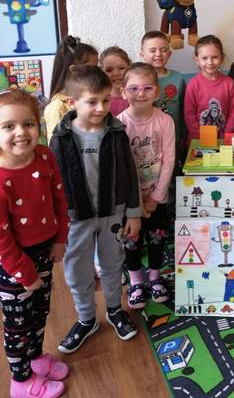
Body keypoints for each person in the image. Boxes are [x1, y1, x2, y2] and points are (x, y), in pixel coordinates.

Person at [49, 65, 141, 354]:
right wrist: (55, 224)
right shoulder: (60, 137)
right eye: (92, 101)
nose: (101, 108)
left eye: (105, 100)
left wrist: (133, 213)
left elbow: (130, 173)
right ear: (72, 102)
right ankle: (86, 318)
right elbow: (52, 182)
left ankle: (115, 310)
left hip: (113, 213)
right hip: (76, 218)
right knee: (77, 270)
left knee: (113, 264)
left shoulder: (116, 132)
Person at [0, 89, 69, 398]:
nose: (20, 132)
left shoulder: (44, 155)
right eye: (8, 126)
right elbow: (2, 240)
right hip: (14, 264)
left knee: (40, 313)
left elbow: (59, 199)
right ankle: (21, 380)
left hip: (45, 252)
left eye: (28, 124)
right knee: (18, 326)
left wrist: (60, 238)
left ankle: (36, 358)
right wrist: (24, 273)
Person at [117, 63, 175, 308]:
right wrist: (135, 204)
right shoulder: (118, 124)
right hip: (130, 200)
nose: (141, 93)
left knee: (157, 237)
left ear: (156, 92)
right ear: (123, 92)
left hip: (156, 196)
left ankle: (154, 277)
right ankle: (136, 281)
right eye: (134, 88)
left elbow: (169, 160)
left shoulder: (165, 121)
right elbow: (119, 168)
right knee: (132, 240)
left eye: (147, 88)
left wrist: (155, 197)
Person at [184, 35, 234, 143]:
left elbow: (233, 111)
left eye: (214, 57)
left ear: (221, 58)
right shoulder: (193, 84)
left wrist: (226, 134)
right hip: (199, 141)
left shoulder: (229, 83)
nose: (210, 62)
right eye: (204, 58)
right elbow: (189, 115)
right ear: (197, 60)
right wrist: (200, 138)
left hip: (223, 140)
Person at [44, 36, 98, 142]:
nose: (97, 73)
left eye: (97, 67)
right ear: (73, 70)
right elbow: (55, 145)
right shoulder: (57, 107)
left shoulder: (88, 99)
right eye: (92, 68)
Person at [140, 30, 186, 154]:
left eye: (163, 50)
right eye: (152, 50)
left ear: (169, 54)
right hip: (146, 142)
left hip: (174, 139)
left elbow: (184, 111)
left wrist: (183, 135)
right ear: (142, 54)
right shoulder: (138, 80)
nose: (158, 54)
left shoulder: (178, 79)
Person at [98, 46, 131, 116]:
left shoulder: (137, 94)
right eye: (109, 70)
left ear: (129, 68)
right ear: (101, 73)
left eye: (121, 68)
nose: (116, 74)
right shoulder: (99, 99)